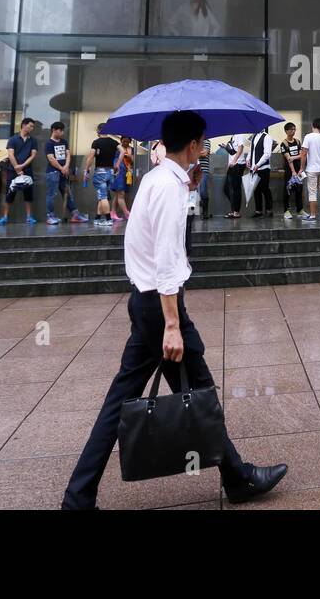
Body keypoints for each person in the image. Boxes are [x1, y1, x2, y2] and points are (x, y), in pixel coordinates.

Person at [61, 109, 288, 510]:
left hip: (146, 302)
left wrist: (190, 187)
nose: (205, 149)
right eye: (203, 143)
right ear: (196, 144)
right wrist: (171, 324)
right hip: (159, 306)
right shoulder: (167, 186)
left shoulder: (161, 179)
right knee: (198, 390)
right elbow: (167, 258)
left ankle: (78, 498)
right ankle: (239, 478)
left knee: (128, 399)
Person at [44, 121, 87, 225]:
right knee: (51, 194)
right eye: (60, 130)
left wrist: (66, 167)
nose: (62, 133)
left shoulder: (64, 142)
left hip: (64, 171)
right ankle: (50, 216)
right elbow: (51, 158)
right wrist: (61, 168)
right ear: (54, 130)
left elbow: (68, 155)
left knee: (67, 193)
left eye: (63, 130)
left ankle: (75, 215)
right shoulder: (49, 143)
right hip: (53, 172)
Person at [0, 118, 38, 225]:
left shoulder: (33, 140)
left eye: (33, 127)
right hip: (13, 170)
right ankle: (5, 217)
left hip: (27, 170)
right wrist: (17, 167)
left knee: (28, 194)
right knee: (10, 193)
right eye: (30, 126)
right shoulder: (13, 139)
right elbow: (10, 154)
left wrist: (22, 166)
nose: (31, 128)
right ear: (24, 125)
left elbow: (33, 155)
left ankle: (29, 217)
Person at [86, 123, 121, 227]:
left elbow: (91, 157)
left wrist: (86, 170)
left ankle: (108, 219)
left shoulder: (96, 142)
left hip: (100, 172)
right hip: (110, 172)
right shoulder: (114, 142)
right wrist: (117, 164)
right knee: (102, 196)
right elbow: (122, 151)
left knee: (103, 196)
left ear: (99, 131)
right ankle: (97, 218)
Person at [302, 118, 320, 222]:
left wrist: (301, 168)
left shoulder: (308, 137)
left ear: (312, 125)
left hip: (312, 169)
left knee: (312, 191)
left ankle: (313, 215)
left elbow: (304, 154)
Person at [248, 128, 275, 217]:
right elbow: (251, 150)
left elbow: (267, 153)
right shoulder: (254, 136)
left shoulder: (267, 137)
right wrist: (248, 159)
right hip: (254, 168)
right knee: (256, 190)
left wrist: (258, 164)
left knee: (265, 188)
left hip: (263, 168)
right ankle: (258, 211)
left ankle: (269, 209)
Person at [279, 123, 304, 220]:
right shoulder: (284, 144)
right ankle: (286, 211)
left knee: (299, 188)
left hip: (299, 170)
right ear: (286, 131)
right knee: (287, 190)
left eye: (294, 129)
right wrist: (293, 172)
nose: (293, 131)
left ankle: (300, 210)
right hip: (290, 171)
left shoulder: (298, 142)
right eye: (291, 130)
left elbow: (301, 155)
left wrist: (299, 167)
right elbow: (288, 159)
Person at [222, 133, 248, 219]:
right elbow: (233, 151)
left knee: (236, 189)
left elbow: (240, 148)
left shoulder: (239, 134)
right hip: (232, 165)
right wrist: (225, 147)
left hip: (238, 164)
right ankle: (234, 209)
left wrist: (234, 161)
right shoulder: (233, 136)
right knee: (227, 188)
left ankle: (236, 212)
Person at [111, 136, 135, 221]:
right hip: (118, 172)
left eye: (127, 142)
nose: (125, 143)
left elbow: (132, 161)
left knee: (118, 194)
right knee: (121, 193)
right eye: (124, 141)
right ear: (121, 141)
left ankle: (113, 212)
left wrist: (129, 156)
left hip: (126, 172)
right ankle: (127, 213)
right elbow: (114, 161)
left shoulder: (131, 149)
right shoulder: (117, 148)